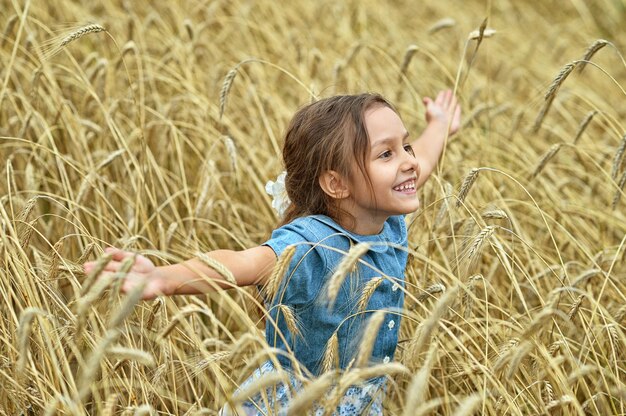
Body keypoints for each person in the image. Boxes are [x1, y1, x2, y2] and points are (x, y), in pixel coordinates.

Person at [84, 90, 460, 415]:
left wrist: (439, 126)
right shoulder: (312, 246)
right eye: (386, 154)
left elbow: (421, 164)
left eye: (405, 145)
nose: (408, 161)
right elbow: (244, 263)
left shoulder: (387, 217)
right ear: (337, 183)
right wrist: (165, 278)